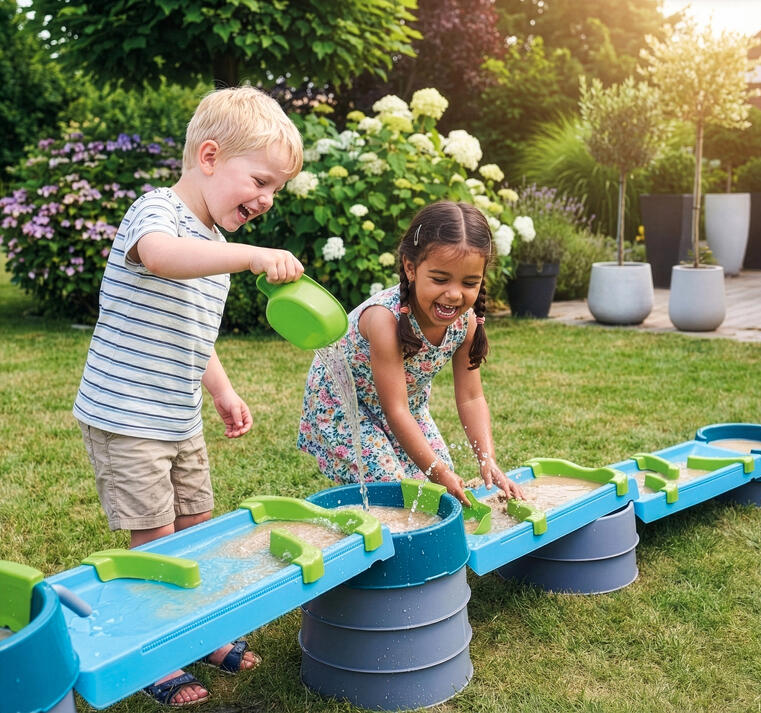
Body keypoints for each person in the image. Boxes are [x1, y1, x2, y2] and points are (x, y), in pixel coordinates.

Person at [73, 86, 304, 707]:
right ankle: (156, 652)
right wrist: (250, 256)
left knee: (197, 528)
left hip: (179, 417)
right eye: (259, 180)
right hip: (126, 417)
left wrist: (223, 391)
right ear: (208, 157)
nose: (266, 199)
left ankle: (199, 631)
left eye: (275, 189)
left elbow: (192, 330)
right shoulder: (159, 214)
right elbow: (159, 258)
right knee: (157, 538)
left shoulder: (212, 246)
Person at [298, 200, 525, 505]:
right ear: (410, 267)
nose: (454, 293)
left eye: (470, 282)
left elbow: (471, 396)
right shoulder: (384, 320)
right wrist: (438, 471)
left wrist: (487, 460)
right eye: (440, 279)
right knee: (395, 490)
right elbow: (395, 411)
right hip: (346, 406)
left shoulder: (465, 323)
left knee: (436, 494)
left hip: (405, 407)